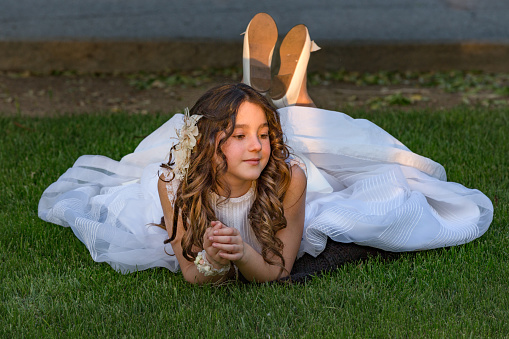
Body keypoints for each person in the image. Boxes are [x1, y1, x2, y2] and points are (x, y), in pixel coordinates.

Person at [38, 13, 493, 284]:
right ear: (212, 144)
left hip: (291, 179)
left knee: (327, 149)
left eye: (260, 135)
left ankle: (286, 104)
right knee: (293, 126)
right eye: (238, 135)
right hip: (205, 175)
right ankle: (283, 101)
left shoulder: (287, 174)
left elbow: (277, 271)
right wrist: (214, 260)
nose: (256, 147)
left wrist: (241, 254)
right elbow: (193, 275)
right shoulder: (172, 182)